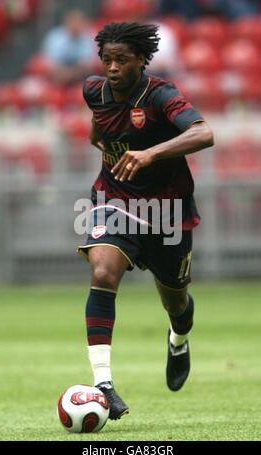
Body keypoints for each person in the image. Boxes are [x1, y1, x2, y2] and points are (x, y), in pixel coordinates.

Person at [78, 22, 214, 420]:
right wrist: (102, 141)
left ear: (141, 59)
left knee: (176, 299)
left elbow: (203, 132)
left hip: (166, 211)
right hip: (113, 199)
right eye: (107, 59)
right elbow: (97, 128)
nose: (113, 67)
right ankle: (103, 383)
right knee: (102, 271)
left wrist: (151, 153)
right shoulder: (93, 90)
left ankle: (178, 338)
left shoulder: (160, 94)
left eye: (122, 59)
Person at [41, 10, 95, 85]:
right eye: (73, 22)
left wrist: (71, 74)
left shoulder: (89, 37)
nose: (75, 25)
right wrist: (64, 73)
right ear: (66, 23)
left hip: (81, 78)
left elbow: (88, 64)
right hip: (57, 77)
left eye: (78, 22)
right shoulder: (55, 37)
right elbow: (49, 62)